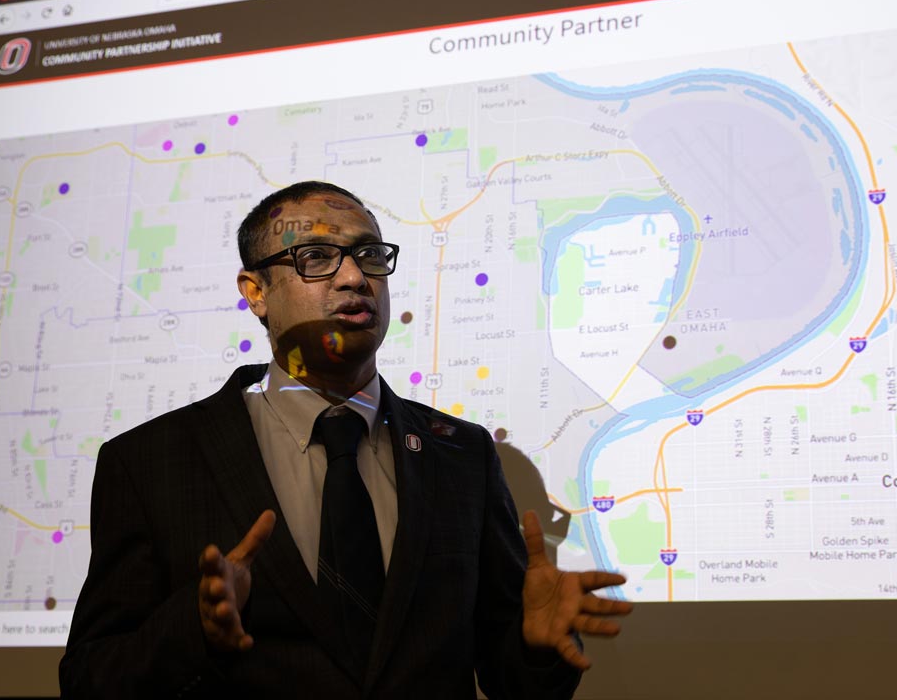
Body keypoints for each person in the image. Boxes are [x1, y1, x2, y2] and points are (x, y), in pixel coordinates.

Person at [59, 180, 633, 699]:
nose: (356, 277)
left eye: (369, 256)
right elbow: (90, 679)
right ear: (255, 291)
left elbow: (510, 679)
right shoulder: (148, 461)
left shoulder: (461, 454)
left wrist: (533, 647)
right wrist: (194, 627)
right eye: (316, 258)